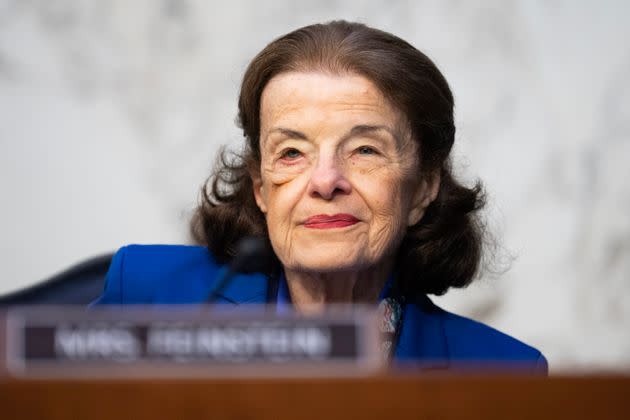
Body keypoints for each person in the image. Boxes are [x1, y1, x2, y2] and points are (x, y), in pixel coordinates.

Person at [93, 20, 547, 373]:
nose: (325, 181)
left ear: (423, 189)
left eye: (365, 150)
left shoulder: (502, 371)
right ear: (260, 188)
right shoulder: (145, 294)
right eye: (292, 152)